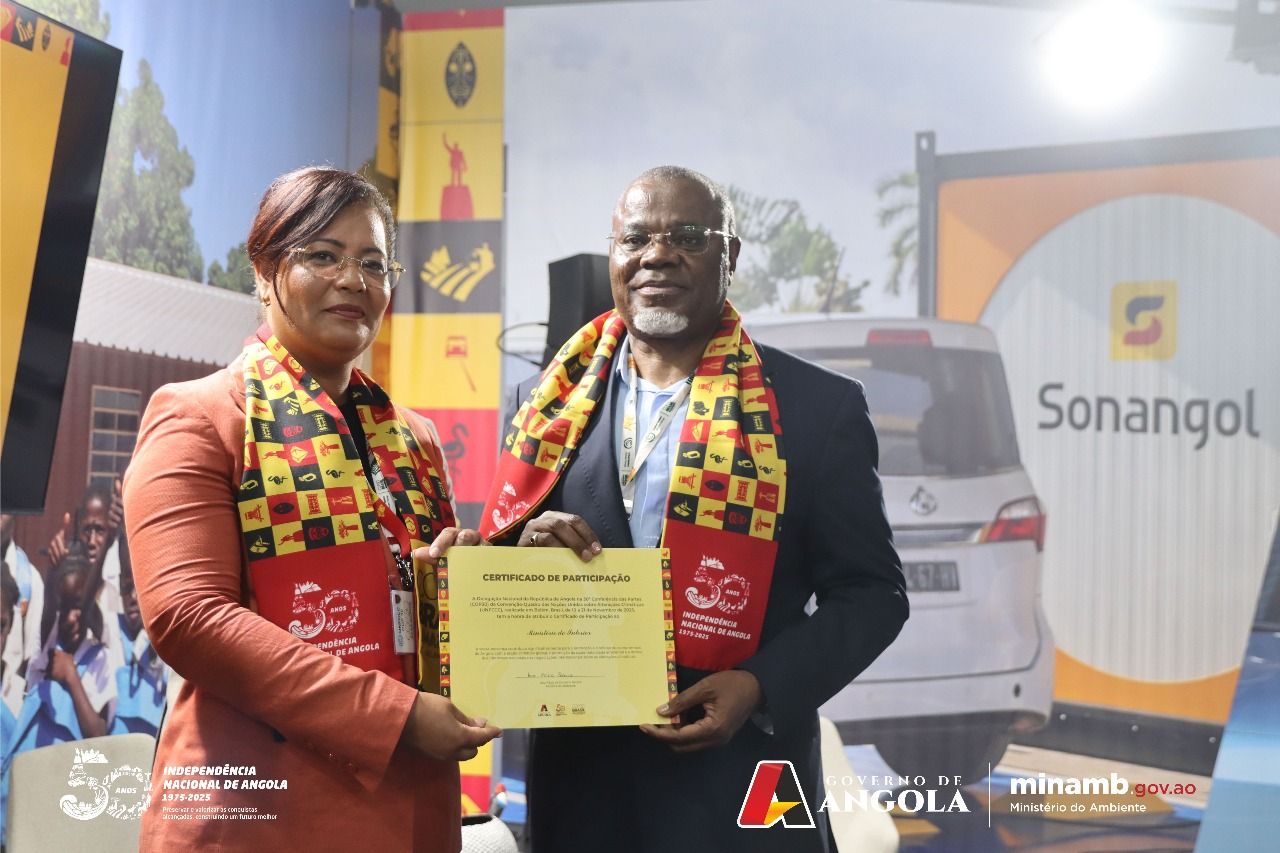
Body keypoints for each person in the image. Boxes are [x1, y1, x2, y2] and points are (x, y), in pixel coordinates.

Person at [480, 166, 907, 852]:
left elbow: (873, 594)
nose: (657, 255)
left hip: (742, 788)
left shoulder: (816, 408)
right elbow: (496, 570)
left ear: (729, 254)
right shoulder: (547, 407)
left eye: (687, 237)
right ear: (614, 255)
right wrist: (524, 553)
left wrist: (759, 687)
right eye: (635, 238)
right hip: (584, 792)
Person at [123, 166, 500, 852]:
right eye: (323, 255)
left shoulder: (413, 438)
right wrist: (394, 716)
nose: (354, 280)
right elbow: (190, 618)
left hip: (411, 809)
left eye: (374, 264)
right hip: (259, 813)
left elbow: (423, 614)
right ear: (264, 271)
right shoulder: (200, 416)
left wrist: (469, 580)